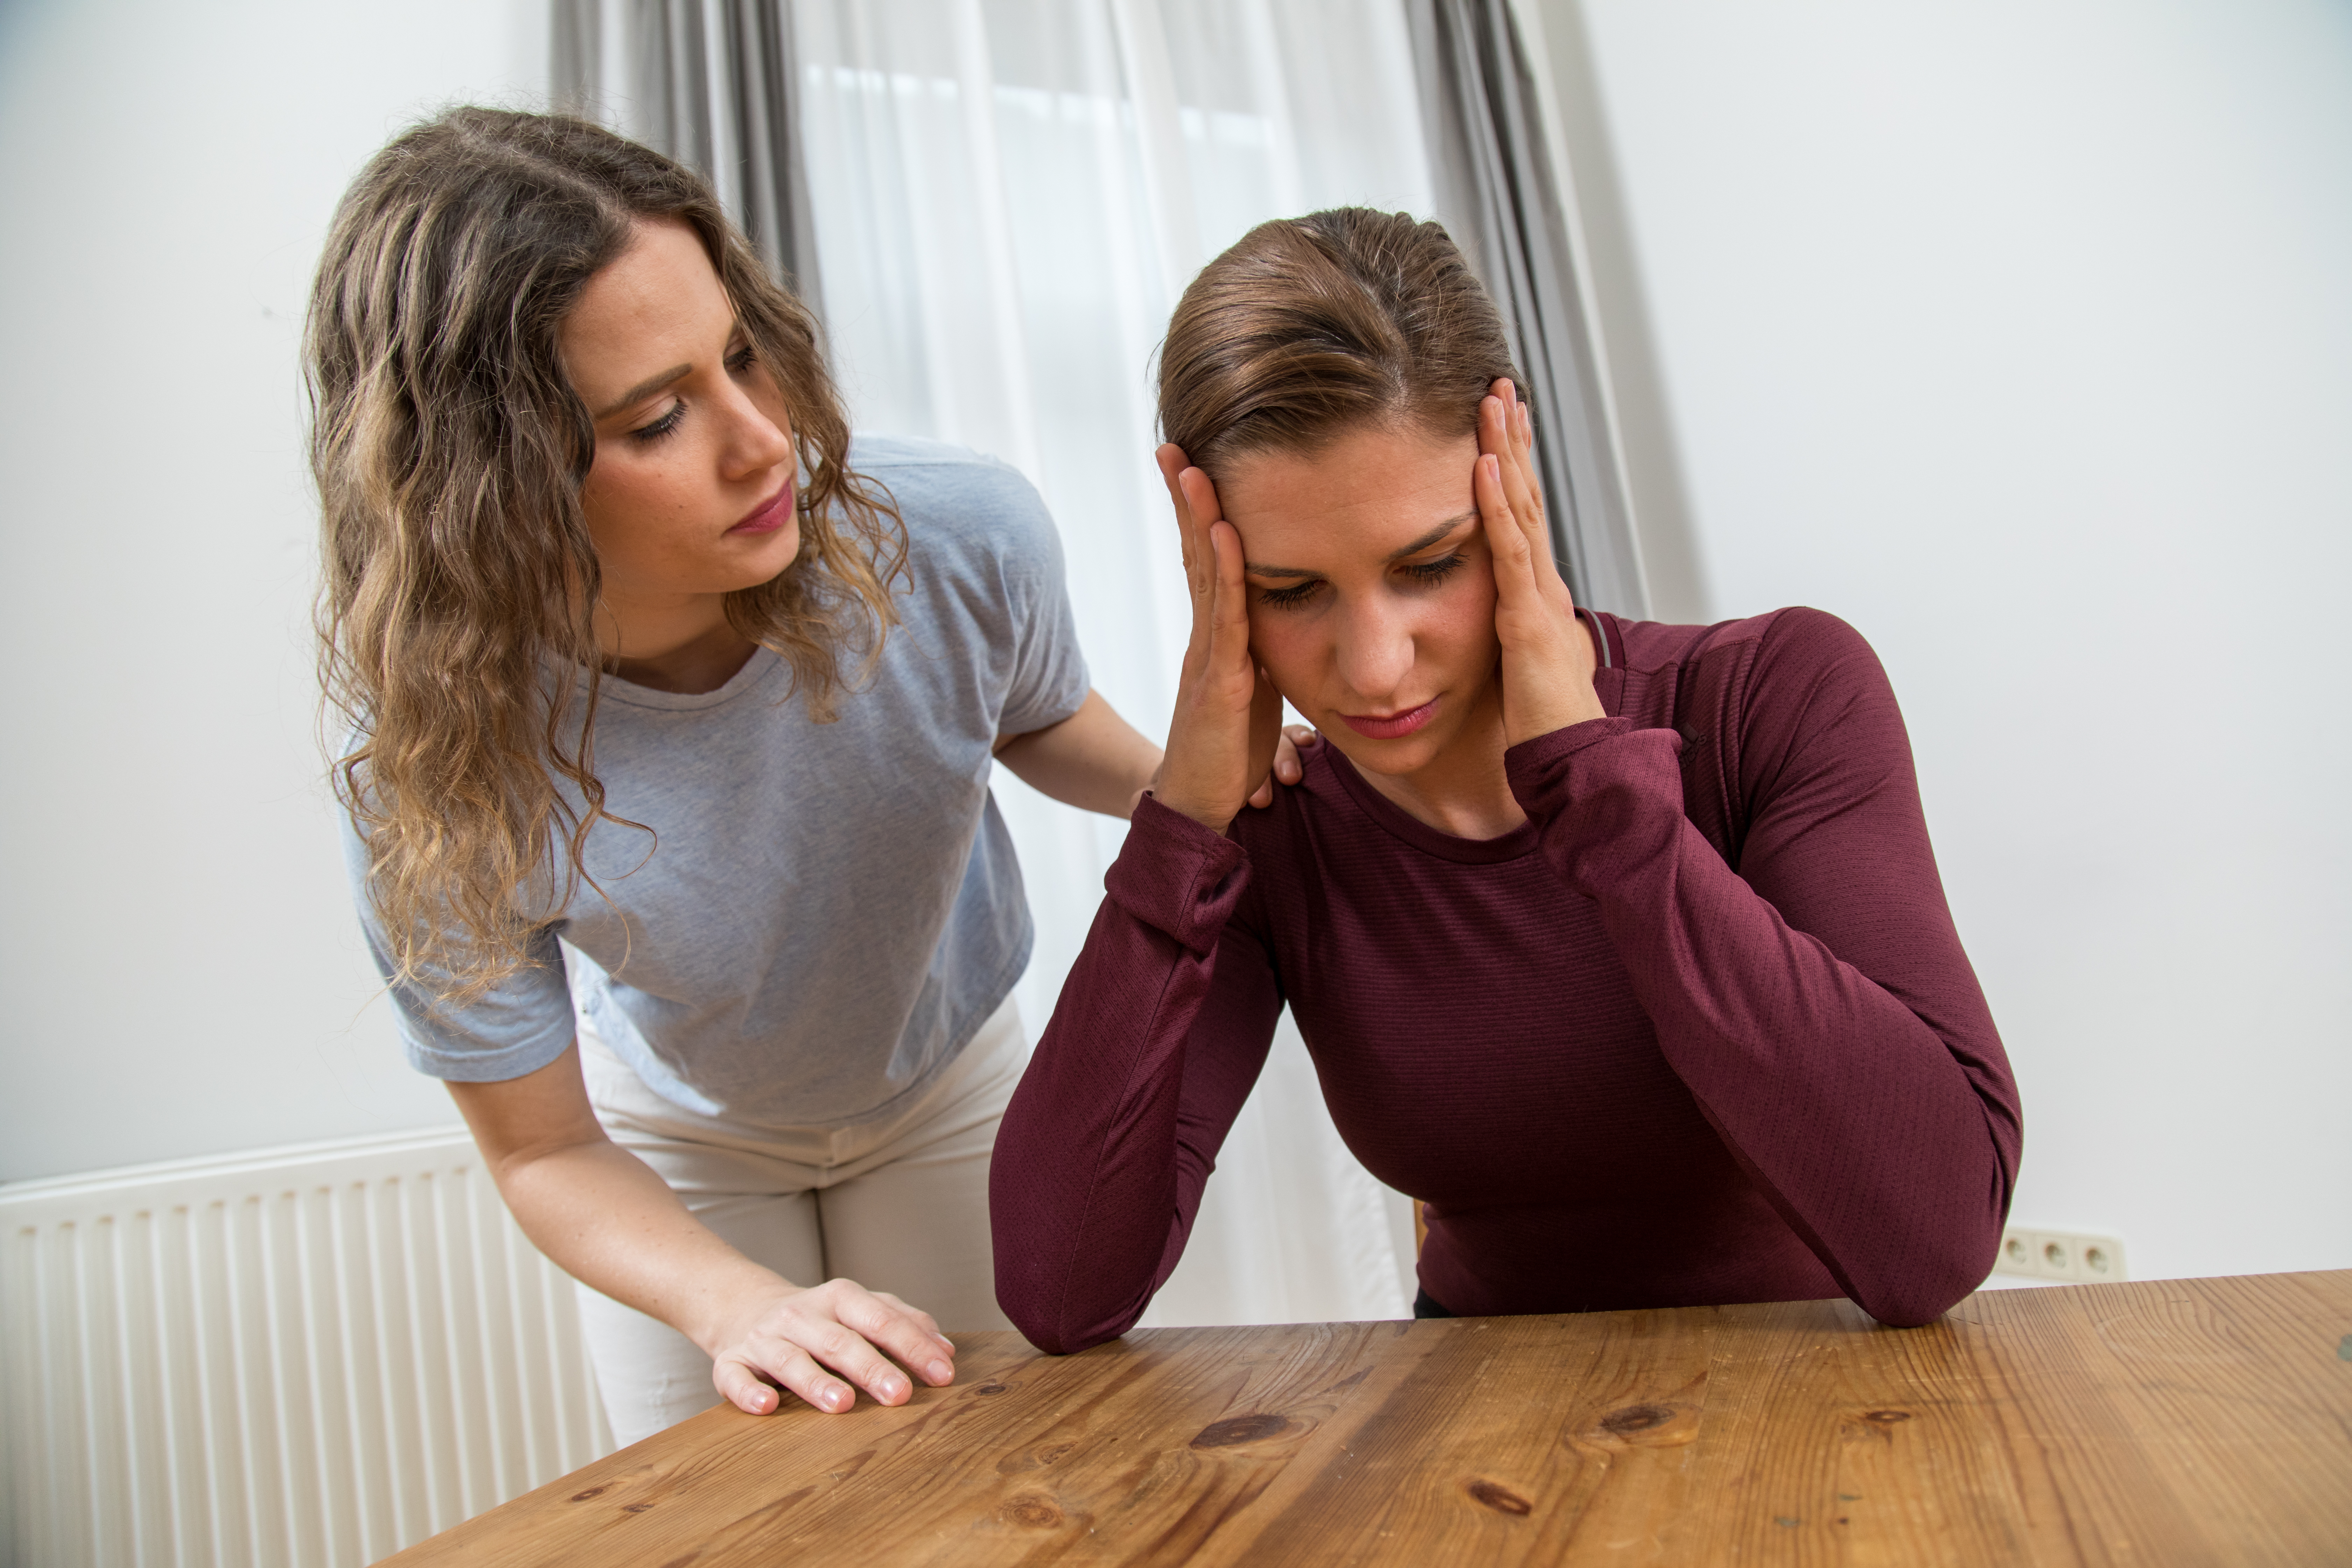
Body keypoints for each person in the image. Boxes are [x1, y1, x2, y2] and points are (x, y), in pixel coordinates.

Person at [309, 108, 1298, 1444]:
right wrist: (735, 1308)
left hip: (947, 1076)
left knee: (1002, 1470)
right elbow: (545, 1149)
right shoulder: (434, 770)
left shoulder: (955, 534)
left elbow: (1030, 721)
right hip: (677, 1145)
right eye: (659, 417)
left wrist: (1199, 785)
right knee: (735, 1505)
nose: (763, 441)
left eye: (742, 356)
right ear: (490, 489)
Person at [990, 209, 2023, 1352]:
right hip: (1473, 1420)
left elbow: (1936, 1239)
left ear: (1510, 487)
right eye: (1292, 591)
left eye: (1428, 565)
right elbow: (1060, 1288)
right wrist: (1181, 825)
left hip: (1821, 1387)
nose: (1375, 667)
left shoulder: (1774, 698)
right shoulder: (1272, 828)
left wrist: (1597, 788)